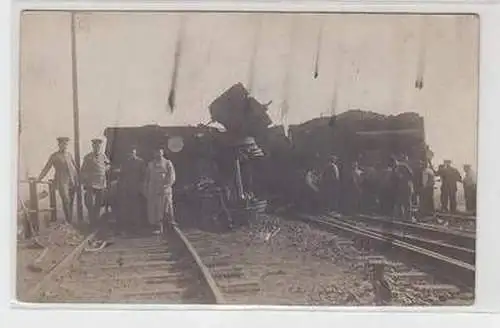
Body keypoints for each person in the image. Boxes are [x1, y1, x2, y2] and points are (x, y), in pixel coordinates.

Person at [38, 137, 79, 223]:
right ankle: (69, 221)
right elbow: (46, 168)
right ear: (59, 145)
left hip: (71, 181)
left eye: (66, 144)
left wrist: (77, 179)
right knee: (66, 200)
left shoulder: (69, 155)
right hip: (61, 181)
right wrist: (39, 178)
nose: (64, 146)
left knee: (71, 201)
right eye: (63, 144)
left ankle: (69, 221)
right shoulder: (54, 156)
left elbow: (75, 167)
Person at [144, 146, 176, 235]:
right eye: (156, 152)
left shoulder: (167, 163)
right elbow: (147, 177)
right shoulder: (150, 164)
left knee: (166, 207)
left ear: (162, 152)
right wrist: (146, 188)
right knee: (153, 208)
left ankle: (169, 225)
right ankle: (156, 226)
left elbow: (172, 176)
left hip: (164, 189)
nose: (158, 153)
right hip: (153, 189)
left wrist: (167, 185)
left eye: (159, 151)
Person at [81, 138, 110, 224]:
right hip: (91, 183)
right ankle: (92, 220)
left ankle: (96, 221)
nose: (97, 148)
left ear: (100, 147)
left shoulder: (103, 156)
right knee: (90, 203)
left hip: (101, 183)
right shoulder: (88, 157)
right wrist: (86, 180)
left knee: (99, 202)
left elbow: (108, 164)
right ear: (93, 146)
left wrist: (106, 168)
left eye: (98, 146)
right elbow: (83, 170)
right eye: (95, 146)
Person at [117, 145, 146, 230]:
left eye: (133, 152)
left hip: (136, 186)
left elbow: (143, 174)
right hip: (126, 186)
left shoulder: (140, 162)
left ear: (135, 152)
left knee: (136, 206)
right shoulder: (125, 162)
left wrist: (141, 185)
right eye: (130, 153)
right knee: (126, 206)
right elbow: (122, 173)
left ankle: (137, 225)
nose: (131, 154)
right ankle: (127, 225)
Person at [390, 156, 414, 221]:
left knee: (407, 203)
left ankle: (408, 218)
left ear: (396, 161)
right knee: (399, 203)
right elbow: (393, 179)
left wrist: (403, 177)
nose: (393, 165)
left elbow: (411, 174)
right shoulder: (393, 169)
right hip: (399, 188)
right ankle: (400, 218)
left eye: (393, 163)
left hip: (406, 187)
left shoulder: (403, 166)